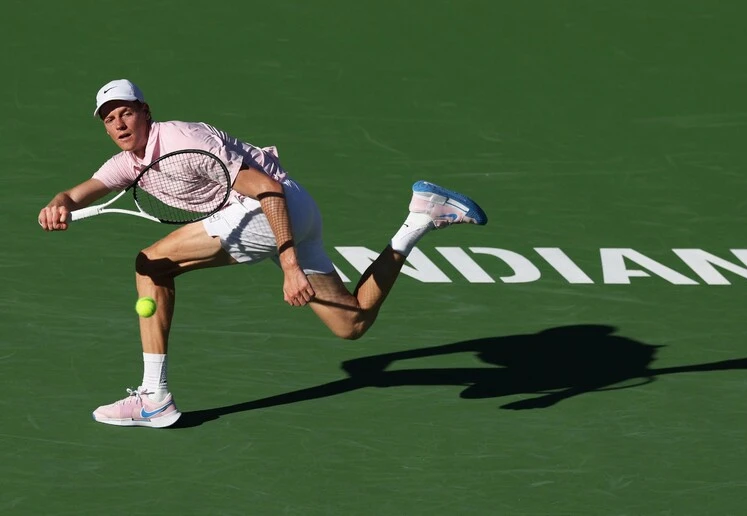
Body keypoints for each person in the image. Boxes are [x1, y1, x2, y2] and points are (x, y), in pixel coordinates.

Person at [38, 79, 488, 428]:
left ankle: (154, 397)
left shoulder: (182, 141)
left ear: (145, 112)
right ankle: (420, 219)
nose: (118, 124)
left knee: (150, 263)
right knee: (352, 323)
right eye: (108, 118)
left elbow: (266, 188)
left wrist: (289, 265)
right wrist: (60, 202)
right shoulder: (127, 162)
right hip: (296, 212)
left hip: (269, 210)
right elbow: (80, 192)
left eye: (125, 113)